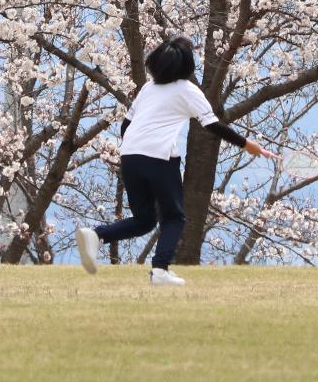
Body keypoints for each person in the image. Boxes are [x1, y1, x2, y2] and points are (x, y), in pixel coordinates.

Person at [76, 35, 276, 286]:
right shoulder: (187, 90)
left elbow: (126, 125)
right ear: (187, 66)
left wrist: (136, 149)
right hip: (158, 157)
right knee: (174, 217)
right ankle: (160, 272)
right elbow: (213, 125)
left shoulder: (148, 88)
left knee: (144, 220)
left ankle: (97, 235)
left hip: (129, 155)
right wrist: (249, 145)